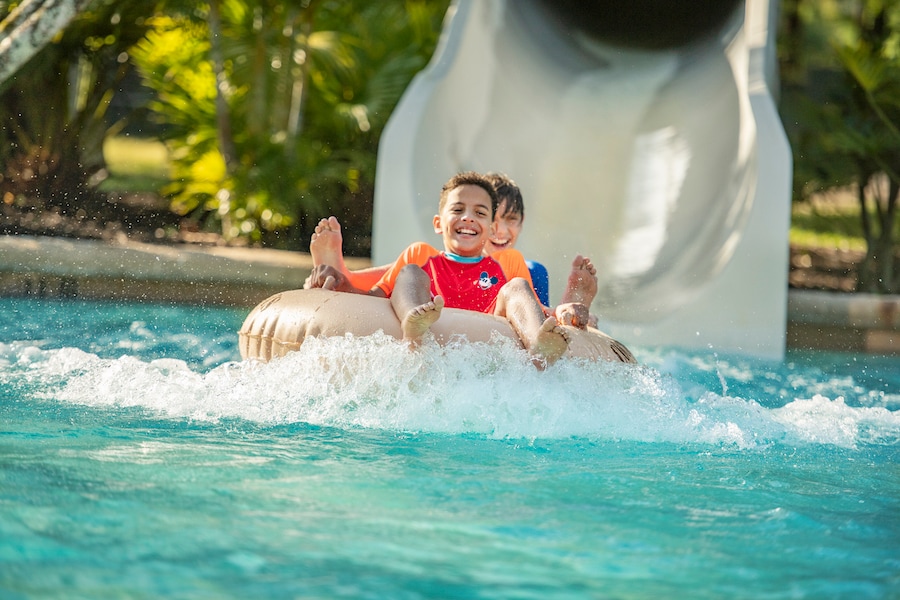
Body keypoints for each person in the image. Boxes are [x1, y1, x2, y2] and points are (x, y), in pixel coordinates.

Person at [306, 171, 580, 368]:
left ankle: (539, 347)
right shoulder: (423, 256)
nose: (468, 217)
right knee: (410, 272)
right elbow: (377, 298)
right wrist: (341, 285)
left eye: (480, 213)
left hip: (487, 322)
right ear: (438, 223)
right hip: (427, 312)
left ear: (490, 228)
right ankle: (413, 323)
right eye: (458, 209)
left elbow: (534, 307)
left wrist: (568, 310)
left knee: (517, 287)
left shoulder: (504, 264)